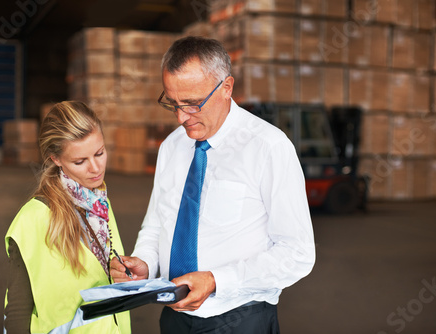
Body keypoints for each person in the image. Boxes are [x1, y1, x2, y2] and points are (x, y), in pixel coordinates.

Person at [111, 36, 315, 333]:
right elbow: (157, 224)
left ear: (226, 88)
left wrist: (218, 280)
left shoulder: (267, 147)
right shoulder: (172, 147)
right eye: (173, 104)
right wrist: (144, 264)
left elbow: (297, 253)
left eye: (193, 104)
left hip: (239, 319)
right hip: (174, 317)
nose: (182, 117)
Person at [4, 101, 131, 333]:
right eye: (80, 161)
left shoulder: (100, 202)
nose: (95, 168)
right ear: (56, 159)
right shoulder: (32, 220)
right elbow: (17, 313)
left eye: (100, 153)